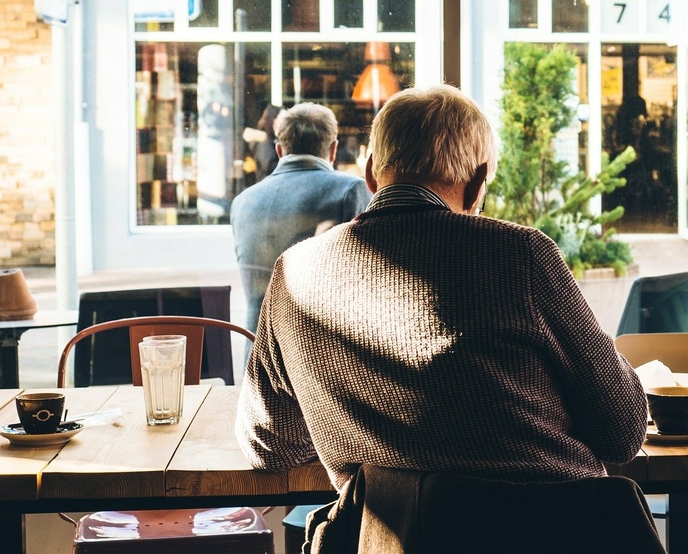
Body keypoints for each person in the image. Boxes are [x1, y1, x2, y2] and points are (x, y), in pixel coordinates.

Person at [235, 85, 647, 490]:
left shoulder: (294, 273)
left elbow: (268, 446)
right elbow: (622, 432)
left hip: (391, 538)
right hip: (555, 530)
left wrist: (353, 421)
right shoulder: (521, 255)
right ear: (477, 182)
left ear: (371, 174)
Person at [230, 102, 371, 332]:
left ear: (279, 150)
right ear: (333, 150)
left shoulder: (242, 202)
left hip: (256, 355)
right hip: (318, 356)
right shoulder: (350, 191)